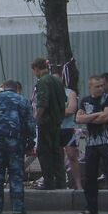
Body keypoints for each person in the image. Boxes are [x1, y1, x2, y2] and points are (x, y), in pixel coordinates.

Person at [0, 80, 35, 214]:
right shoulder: (23, 101)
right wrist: (30, 142)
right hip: (16, 142)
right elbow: (30, 124)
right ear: (17, 88)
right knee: (16, 174)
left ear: (4, 87)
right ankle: (17, 207)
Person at [76, 75, 108, 214]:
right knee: (89, 176)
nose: (101, 88)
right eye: (97, 86)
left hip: (107, 143)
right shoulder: (85, 101)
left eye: (102, 85)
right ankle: (91, 207)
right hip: (91, 145)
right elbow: (78, 119)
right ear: (90, 87)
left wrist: (88, 118)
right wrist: (97, 114)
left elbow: (107, 117)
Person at [31, 58, 67, 189]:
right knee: (56, 152)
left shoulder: (43, 82)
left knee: (44, 152)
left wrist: (36, 121)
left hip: (46, 122)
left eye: (34, 71)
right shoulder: (57, 81)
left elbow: (42, 104)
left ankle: (48, 182)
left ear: (36, 69)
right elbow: (64, 100)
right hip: (57, 122)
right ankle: (61, 182)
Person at [54, 73, 82, 190]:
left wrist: (54, 112)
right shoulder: (50, 94)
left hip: (68, 128)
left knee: (72, 156)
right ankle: (61, 183)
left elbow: (71, 109)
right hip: (55, 129)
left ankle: (78, 183)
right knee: (58, 156)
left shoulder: (70, 93)